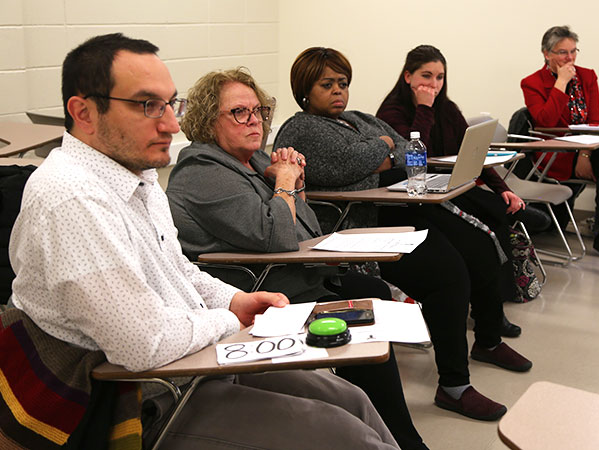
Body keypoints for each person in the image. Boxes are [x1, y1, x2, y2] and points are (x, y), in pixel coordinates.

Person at [8, 33, 399, 450]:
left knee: (352, 400)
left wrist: (234, 300)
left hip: (190, 362)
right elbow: (143, 345)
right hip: (139, 396)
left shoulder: (136, 177)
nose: (172, 124)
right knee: (346, 436)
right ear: (83, 112)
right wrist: (234, 320)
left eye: (169, 104)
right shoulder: (71, 196)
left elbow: (177, 269)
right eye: (148, 106)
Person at [166, 68, 428, 450]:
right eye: (239, 112)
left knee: (372, 294)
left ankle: (389, 429)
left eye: (258, 110)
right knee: (370, 310)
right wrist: (284, 182)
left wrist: (293, 183)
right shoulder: (202, 172)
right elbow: (277, 237)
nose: (254, 119)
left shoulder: (251, 161)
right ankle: (398, 436)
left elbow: (305, 228)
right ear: (208, 120)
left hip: (292, 278)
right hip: (258, 293)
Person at [275, 47, 533, 422]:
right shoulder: (301, 128)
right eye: (326, 84)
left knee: (479, 246)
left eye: (342, 83)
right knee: (449, 275)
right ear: (304, 90)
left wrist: (383, 152)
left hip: (402, 203)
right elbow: (350, 165)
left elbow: (411, 147)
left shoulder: (357, 118)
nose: (337, 91)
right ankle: (455, 386)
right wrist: (381, 151)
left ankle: (487, 342)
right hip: (360, 224)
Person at [376, 44, 545, 311]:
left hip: (448, 185)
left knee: (496, 220)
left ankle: (497, 298)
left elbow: (472, 153)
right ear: (407, 77)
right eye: (426, 76)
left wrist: (502, 188)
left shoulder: (448, 108)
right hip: (416, 196)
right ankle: (513, 216)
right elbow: (413, 153)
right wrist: (424, 109)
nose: (434, 84)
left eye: (440, 77)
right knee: (481, 230)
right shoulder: (391, 112)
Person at [521, 25, 599, 263]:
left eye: (573, 51)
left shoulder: (588, 76)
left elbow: (595, 121)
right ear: (546, 53)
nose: (570, 58)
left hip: (585, 149)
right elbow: (545, 123)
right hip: (556, 153)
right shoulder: (531, 83)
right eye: (562, 52)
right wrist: (561, 83)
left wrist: (585, 153)